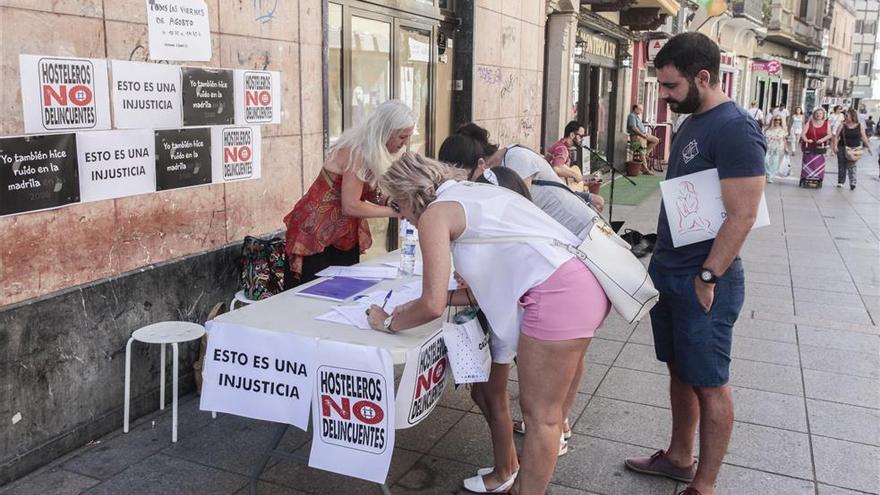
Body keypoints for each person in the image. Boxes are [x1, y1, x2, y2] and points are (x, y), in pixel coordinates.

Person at [367, 153, 610, 494]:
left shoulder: (435, 215)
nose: (401, 215)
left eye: (397, 205)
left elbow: (431, 304)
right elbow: (479, 286)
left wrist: (388, 321)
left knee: (542, 417)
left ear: (408, 193)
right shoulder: (470, 192)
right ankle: (521, 485)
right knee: (546, 415)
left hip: (558, 295)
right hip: (580, 285)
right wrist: (440, 300)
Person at [623, 33, 766, 495]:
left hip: (703, 278)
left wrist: (709, 276)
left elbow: (743, 212)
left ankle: (704, 485)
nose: (663, 97)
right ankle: (680, 458)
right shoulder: (693, 120)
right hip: (671, 269)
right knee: (680, 371)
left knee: (709, 383)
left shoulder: (735, 128)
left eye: (670, 86)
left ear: (703, 77)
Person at [281, 100, 414, 286]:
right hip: (317, 233)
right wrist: (396, 212)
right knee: (314, 295)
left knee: (342, 291)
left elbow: (364, 190)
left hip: (340, 234)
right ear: (385, 131)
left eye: (408, 136)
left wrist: (389, 201)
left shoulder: (368, 149)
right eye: (402, 137)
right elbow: (350, 205)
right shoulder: (357, 151)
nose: (406, 143)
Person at [833, 108, 873, 190]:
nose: (846, 117)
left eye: (847, 115)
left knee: (852, 166)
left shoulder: (859, 126)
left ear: (853, 116)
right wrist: (835, 146)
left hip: (855, 149)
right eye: (846, 115)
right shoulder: (842, 125)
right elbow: (836, 137)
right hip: (842, 147)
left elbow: (864, 137)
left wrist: (869, 147)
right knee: (841, 165)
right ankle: (841, 182)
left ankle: (852, 182)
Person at [800, 107, 833, 188]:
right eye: (817, 113)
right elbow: (803, 134)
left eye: (820, 114)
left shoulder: (826, 124)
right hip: (809, 146)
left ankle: (818, 178)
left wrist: (822, 140)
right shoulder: (809, 123)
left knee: (818, 163)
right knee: (808, 163)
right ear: (814, 114)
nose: (818, 115)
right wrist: (807, 140)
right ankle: (805, 177)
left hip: (820, 147)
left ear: (823, 115)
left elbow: (829, 134)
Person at [627, 104, 660, 174]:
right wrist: (642, 135)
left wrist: (644, 134)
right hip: (636, 136)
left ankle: (646, 153)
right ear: (635, 109)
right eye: (640, 109)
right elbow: (634, 128)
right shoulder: (632, 116)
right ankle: (645, 169)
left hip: (643, 135)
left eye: (641, 110)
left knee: (656, 140)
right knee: (642, 150)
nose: (641, 111)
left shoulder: (637, 117)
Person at [764, 115, 790, 182]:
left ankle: (770, 176)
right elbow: (763, 138)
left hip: (778, 147)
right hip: (768, 147)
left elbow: (784, 139)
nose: (777, 121)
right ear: (773, 120)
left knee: (774, 162)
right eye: (776, 119)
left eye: (779, 120)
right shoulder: (767, 129)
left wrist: (786, 148)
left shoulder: (783, 130)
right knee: (765, 160)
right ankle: (767, 173)